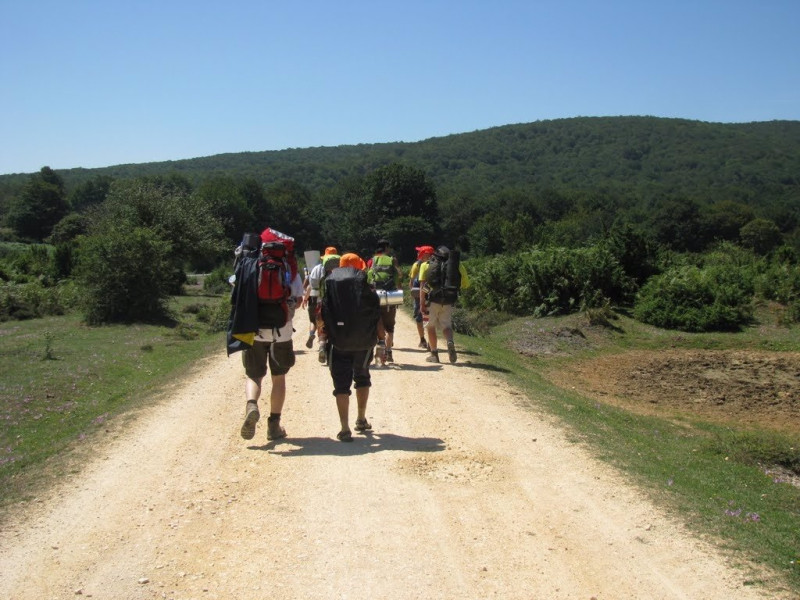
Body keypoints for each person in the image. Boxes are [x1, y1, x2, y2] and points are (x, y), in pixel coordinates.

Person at [232, 227, 304, 441]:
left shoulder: (249, 264)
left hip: (251, 330)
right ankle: (274, 425)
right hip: (281, 331)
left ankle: (252, 405)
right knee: (278, 378)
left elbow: (235, 291)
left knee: (254, 374)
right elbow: (299, 301)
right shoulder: (288, 267)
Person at [322, 252, 380, 441]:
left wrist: (322, 338)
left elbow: (322, 314)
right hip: (363, 344)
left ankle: (345, 428)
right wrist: (381, 342)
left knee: (341, 385)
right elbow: (376, 317)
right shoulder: (367, 289)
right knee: (362, 378)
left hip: (338, 342)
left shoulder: (331, 286)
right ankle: (361, 419)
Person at [419, 245, 470, 364]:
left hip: (431, 301)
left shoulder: (426, 265)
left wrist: (422, 303)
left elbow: (423, 286)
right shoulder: (456, 265)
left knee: (430, 327)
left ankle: (434, 354)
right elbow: (466, 284)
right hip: (447, 300)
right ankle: (450, 341)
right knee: (446, 326)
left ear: (435, 255)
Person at [367, 239, 403, 364]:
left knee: (375, 325)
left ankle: (377, 353)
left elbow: (368, 278)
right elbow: (399, 275)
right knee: (389, 327)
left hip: (375, 297)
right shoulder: (392, 259)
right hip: (389, 297)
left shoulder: (372, 260)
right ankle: (388, 352)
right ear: (386, 248)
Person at [302, 246, 338, 350]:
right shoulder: (340, 267)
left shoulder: (317, 268)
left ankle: (317, 339)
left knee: (317, 321)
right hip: (335, 301)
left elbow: (311, 286)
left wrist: (305, 299)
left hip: (317, 300)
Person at [409, 245, 435, 349]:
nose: (417, 254)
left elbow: (411, 281)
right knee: (431, 317)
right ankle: (431, 342)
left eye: (419, 252)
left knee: (419, 318)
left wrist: (414, 295)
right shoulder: (437, 264)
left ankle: (422, 340)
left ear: (424, 255)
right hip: (433, 294)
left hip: (420, 295)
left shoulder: (417, 265)